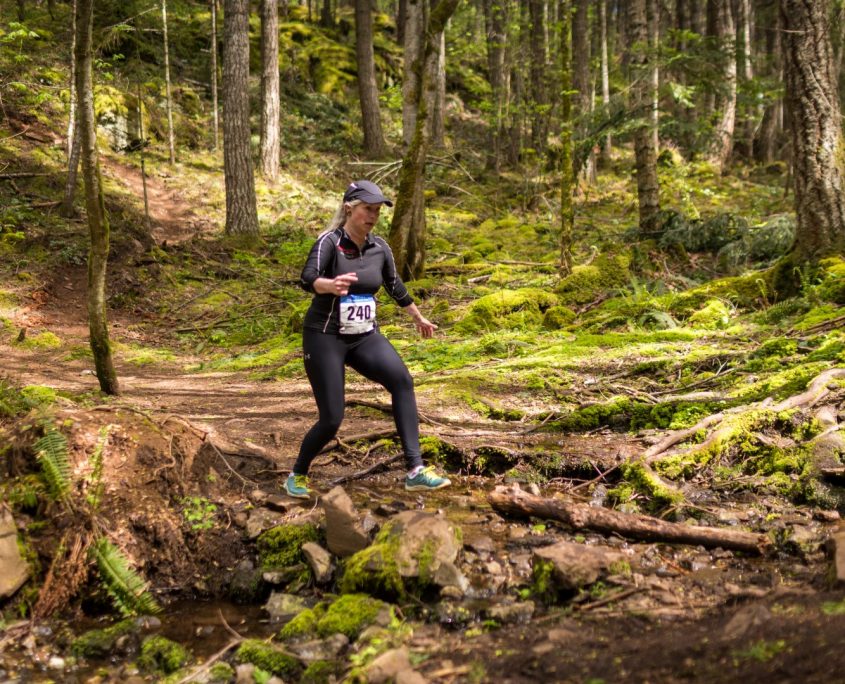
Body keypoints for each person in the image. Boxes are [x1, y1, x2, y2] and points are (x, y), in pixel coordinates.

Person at [286, 180, 451, 498]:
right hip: (325, 336)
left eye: (377, 211)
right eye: (368, 210)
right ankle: (297, 474)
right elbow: (307, 278)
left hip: (364, 336)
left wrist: (418, 317)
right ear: (349, 208)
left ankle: (415, 470)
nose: (373, 216)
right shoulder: (329, 243)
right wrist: (329, 285)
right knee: (332, 417)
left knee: (402, 381)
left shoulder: (380, 248)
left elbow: (393, 284)